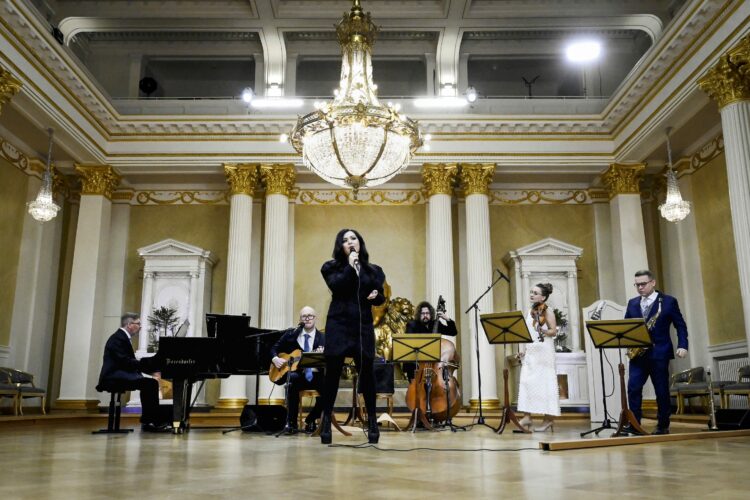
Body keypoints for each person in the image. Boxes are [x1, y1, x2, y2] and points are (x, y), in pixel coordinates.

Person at [319, 229, 386, 444]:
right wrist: (350, 265)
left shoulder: (374, 270)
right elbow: (337, 286)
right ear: (341, 246)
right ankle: (326, 422)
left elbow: (379, 296)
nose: (350, 242)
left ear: (360, 243)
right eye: (345, 240)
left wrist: (377, 296)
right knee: (332, 374)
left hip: (362, 326)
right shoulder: (330, 267)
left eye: (353, 238)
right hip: (338, 324)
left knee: (367, 374)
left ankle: (373, 422)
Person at [625, 269, 688, 435]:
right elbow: (626, 327)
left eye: (643, 284)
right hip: (638, 355)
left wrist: (683, 345)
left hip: (659, 353)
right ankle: (635, 424)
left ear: (652, 283)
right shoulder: (632, 303)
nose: (640, 288)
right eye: (637, 285)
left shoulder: (668, 302)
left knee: (661, 390)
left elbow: (680, 325)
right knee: (633, 388)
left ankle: (663, 425)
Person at [96, 313, 170, 433]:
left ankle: (149, 420)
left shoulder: (121, 337)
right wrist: (149, 366)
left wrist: (151, 370)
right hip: (112, 376)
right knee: (149, 384)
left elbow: (128, 362)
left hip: (119, 372)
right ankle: (151, 422)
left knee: (149, 383)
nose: (140, 327)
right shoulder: (118, 338)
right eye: (138, 324)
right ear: (129, 324)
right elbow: (125, 361)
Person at [270, 306, 325, 434]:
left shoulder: (323, 338)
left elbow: (331, 359)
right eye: (304, 316)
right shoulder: (291, 334)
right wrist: (275, 358)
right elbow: (274, 347)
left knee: (330, 386)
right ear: (300, 319)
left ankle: (311, 419)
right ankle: (291, 424)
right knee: (291, 381)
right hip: (298, 375)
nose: (307, 318)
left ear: (315, 318)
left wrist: (323, 355)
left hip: (317, 376)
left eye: (310, 315)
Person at [517, 283, 560, 432]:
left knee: (545, 384)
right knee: (526, 382)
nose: (532, 295)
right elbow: (525, 331)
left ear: (543, 297)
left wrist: (542, 330)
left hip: (544, 351)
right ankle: (527, 416)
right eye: (531, 292)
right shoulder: (529, 311)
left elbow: (553, 331)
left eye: (535, 293)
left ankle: (548, 419)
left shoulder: (548, 311)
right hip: (531, 350)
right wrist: (521, 349)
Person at [403, 301, 458, 382]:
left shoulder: (435, 324)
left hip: (434, 366)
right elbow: (409, 343)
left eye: (427, 313)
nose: (425, 316)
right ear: (419, 314)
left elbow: (453, 332)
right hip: (416, 364)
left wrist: (447, 318)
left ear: (431, 314)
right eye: (423, 313)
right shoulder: (412, 325)